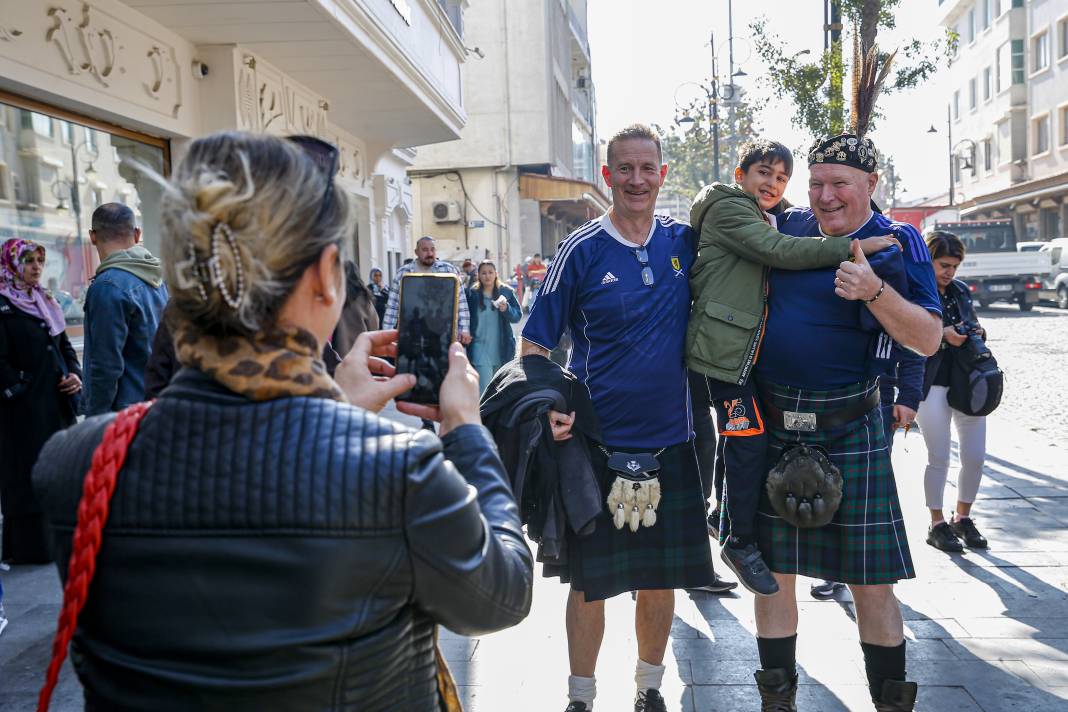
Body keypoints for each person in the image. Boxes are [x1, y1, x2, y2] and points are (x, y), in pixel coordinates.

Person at [32, 131, 533, 711]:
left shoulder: (75, 463)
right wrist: (466, 430)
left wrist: (333, 412)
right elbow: (500, 594)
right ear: (325, 275)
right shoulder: (398, 470)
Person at [521, 124, 713, 712]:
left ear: (661, 174)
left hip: (673, 445)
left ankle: (649, 689)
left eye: (646, 169)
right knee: (589, 585)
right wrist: (551, 407)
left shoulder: (685, 242)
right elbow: (533, 349)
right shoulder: (580, 249)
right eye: (624, 169)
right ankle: (581, 698)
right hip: (595, 448)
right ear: (608, 176)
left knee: (660, 580)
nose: (636, 180)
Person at [750, 128, 943, 712]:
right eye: (816, 184)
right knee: (772, 573)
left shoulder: (900, 242)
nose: (825, 196)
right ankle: (777, 702)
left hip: (851, 425)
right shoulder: (785, 230)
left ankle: (888, 704)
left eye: (840, 184)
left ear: (871, 185)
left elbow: (929, 339)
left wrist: (873, 290)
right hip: (774, 420)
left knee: (869, 581)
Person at [687, 139, 899, 597]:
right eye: (763, 172)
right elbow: (780, 250)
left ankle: (723, 517)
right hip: (721, 356)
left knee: (745, 438)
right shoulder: (730, 210)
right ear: (740, 174)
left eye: (781, 177)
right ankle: (737, 540)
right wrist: (852, 245)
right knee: (749, 438)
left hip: (740, 353)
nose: (772, 184)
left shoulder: (765, 212)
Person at [0, 239, 81, 564]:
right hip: (21, 411)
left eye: (39, 261)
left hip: (56, 405)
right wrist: (20, 387)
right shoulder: (3, 306)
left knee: (58, 470)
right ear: (12, 264)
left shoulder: (46, 301)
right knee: (25, 475)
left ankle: (62, 541)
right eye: (29, 261)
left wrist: (74, 374)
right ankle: (31, 549)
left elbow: (63, 348)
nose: (36, 268)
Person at [915, 231, 990, 553]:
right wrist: (943, 336)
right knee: (939, 457)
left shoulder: (960, 291)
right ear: (928, 260)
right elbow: (910, 339)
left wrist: (976, 331)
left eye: (954, 266)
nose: (949, 272)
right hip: (930, 383)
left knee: (975, 457)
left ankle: (963, 517)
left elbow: (972, 325)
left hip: (967, 383)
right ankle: (936, 523)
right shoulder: (915, 290)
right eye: (943, 265)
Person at [82, 203, 168, 415]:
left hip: (124, 414)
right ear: (137, 234)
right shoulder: (159, 279)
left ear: (93, 236)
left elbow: (105, 365)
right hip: (157, 403)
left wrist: (95, 419)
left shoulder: (107, 286)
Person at [382, 237, 471, 345]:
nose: (430, 253)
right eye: (425, 250)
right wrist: (386, 335)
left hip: (444, 331)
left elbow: (461, 301)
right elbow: (393, 305)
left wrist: (464, 329)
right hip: (413, 332)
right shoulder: (403, 273)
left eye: (432, 249)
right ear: (416, 252)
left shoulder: (449, 270)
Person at [466, 260, 521, 393]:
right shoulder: (472, 294)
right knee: (485, 389)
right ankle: (482, 414)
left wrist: (506, 309)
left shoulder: (506, 292)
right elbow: (464, 317)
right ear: (478, 275)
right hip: (479, 348)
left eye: (490, 272)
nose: (487, 276)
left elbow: (517, 316)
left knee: (499, 390)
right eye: (483, 273)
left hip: (501, 348)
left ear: (496, 273)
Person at [331, 260, 379, 358]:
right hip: (361, 351)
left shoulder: (334, 298)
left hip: (338, 353)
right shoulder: (364, 298)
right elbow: (374, 324)